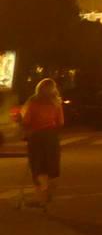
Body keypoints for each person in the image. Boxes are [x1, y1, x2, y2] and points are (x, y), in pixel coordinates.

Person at [19, 78, 65, 208]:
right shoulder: (56, 102)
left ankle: (41, 196)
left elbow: (26, 120)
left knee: (37, 166)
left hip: (36, 137)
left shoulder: (33, 102)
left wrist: (25, 129)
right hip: (52, 137)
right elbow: (60, 122)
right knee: (51, 166)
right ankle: (49, 191)